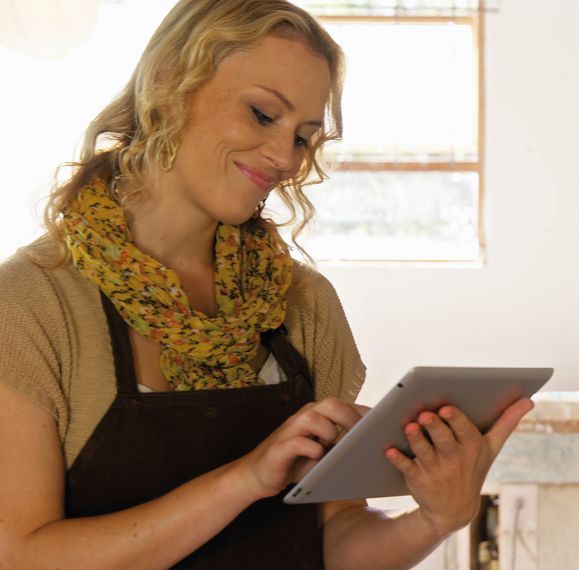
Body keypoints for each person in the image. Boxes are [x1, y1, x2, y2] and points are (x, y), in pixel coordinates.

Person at [0, 1, 533, 568]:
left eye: (304, 137)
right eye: (261, 114)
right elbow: (22, 555)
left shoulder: (304, 304)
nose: (284, 157)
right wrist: (246, 478)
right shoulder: (30, 306)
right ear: (166, 81)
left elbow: (332, 539)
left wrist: (436, 518)